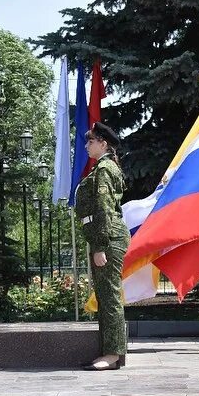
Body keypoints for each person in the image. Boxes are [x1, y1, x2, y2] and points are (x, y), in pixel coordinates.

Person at [75, 122, 131, 370]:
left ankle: (113, 354)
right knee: (106, 295)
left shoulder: (104, 170)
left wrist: (99, 246)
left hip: (107, 239)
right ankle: (109, 351)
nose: (87, 145)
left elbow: (104, 209)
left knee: (109, 296)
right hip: (106, 237)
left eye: (90, 141)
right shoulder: (103, 168)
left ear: (103, 144)